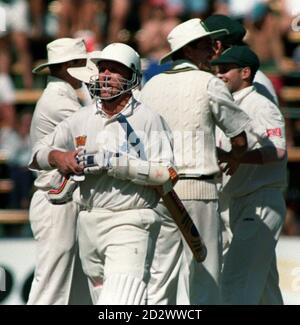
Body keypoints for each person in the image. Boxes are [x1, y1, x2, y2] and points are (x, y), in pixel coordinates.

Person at [29, 42, 176, 305]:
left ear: (132, 75)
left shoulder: (148, 119)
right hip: (88, 224)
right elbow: (38, 152)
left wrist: (120, 165)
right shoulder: (81, 118)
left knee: (119, 305)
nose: (106, 75)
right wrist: (60, 157)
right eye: (103, 69)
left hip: (130, 221)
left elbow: (167, 174)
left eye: (115, 70)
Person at [140, 18, 251, 305]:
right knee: (205, 273)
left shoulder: (151, 85)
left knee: (159, 277)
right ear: (189, 50)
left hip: (159, 190)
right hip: (198, 191)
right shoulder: (208, 82)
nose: (212, 52)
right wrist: (235, 158)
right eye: (205, 46)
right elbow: (239, 138)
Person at [211, 45, 287, 304]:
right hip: (241, 201)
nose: (218, 74)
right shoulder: (230, 104)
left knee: (235, 283)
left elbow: (277, 152)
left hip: (261, 201)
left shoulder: (260, 106)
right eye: (217, 69)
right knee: (264, 290)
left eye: (225, 69)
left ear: (245, 72)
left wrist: (237, 156)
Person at [27, 37, 88, 305]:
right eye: (81, 62)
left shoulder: (62, 95)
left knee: (72, 289)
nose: (87, 68)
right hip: (55, 200)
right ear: (68, 66)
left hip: (62, 199)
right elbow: (95, 129)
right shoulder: (57, 99)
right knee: (51, 288)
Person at [204, 14, 279, 106]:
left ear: (217, 47)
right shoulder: (217, 76)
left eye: (204, 45)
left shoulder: (257, 81)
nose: (200, 52)